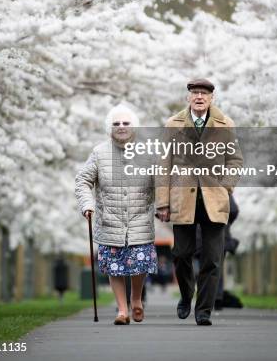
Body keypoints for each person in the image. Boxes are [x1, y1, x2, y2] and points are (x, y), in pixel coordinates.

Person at [155, 78, 243, 326]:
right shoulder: (173, 124)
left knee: (212, 259)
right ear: (188, 98)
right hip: (183, 198)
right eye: (195, 93)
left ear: (212, 98)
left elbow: (235, 160)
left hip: (215, 200)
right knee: (181, 254)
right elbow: (163, 166)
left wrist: (225, 187)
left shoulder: (226, 124)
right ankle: (186, 295)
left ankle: (204, 309)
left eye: (204, 93)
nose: (199, 97)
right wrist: (162, 202)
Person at [75, 104, 158, 325]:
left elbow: (163, 181)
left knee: (139, 263)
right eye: (116, 123)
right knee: (114, 266)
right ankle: (122, 310)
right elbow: (83, 180)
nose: (121, 127)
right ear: (109, 128)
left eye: (126, 123)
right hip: (109, 220)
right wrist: (87, 204)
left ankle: (136, 299)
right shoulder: (99, 153)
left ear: (135, 127)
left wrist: (164, 206)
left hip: (140, 218)